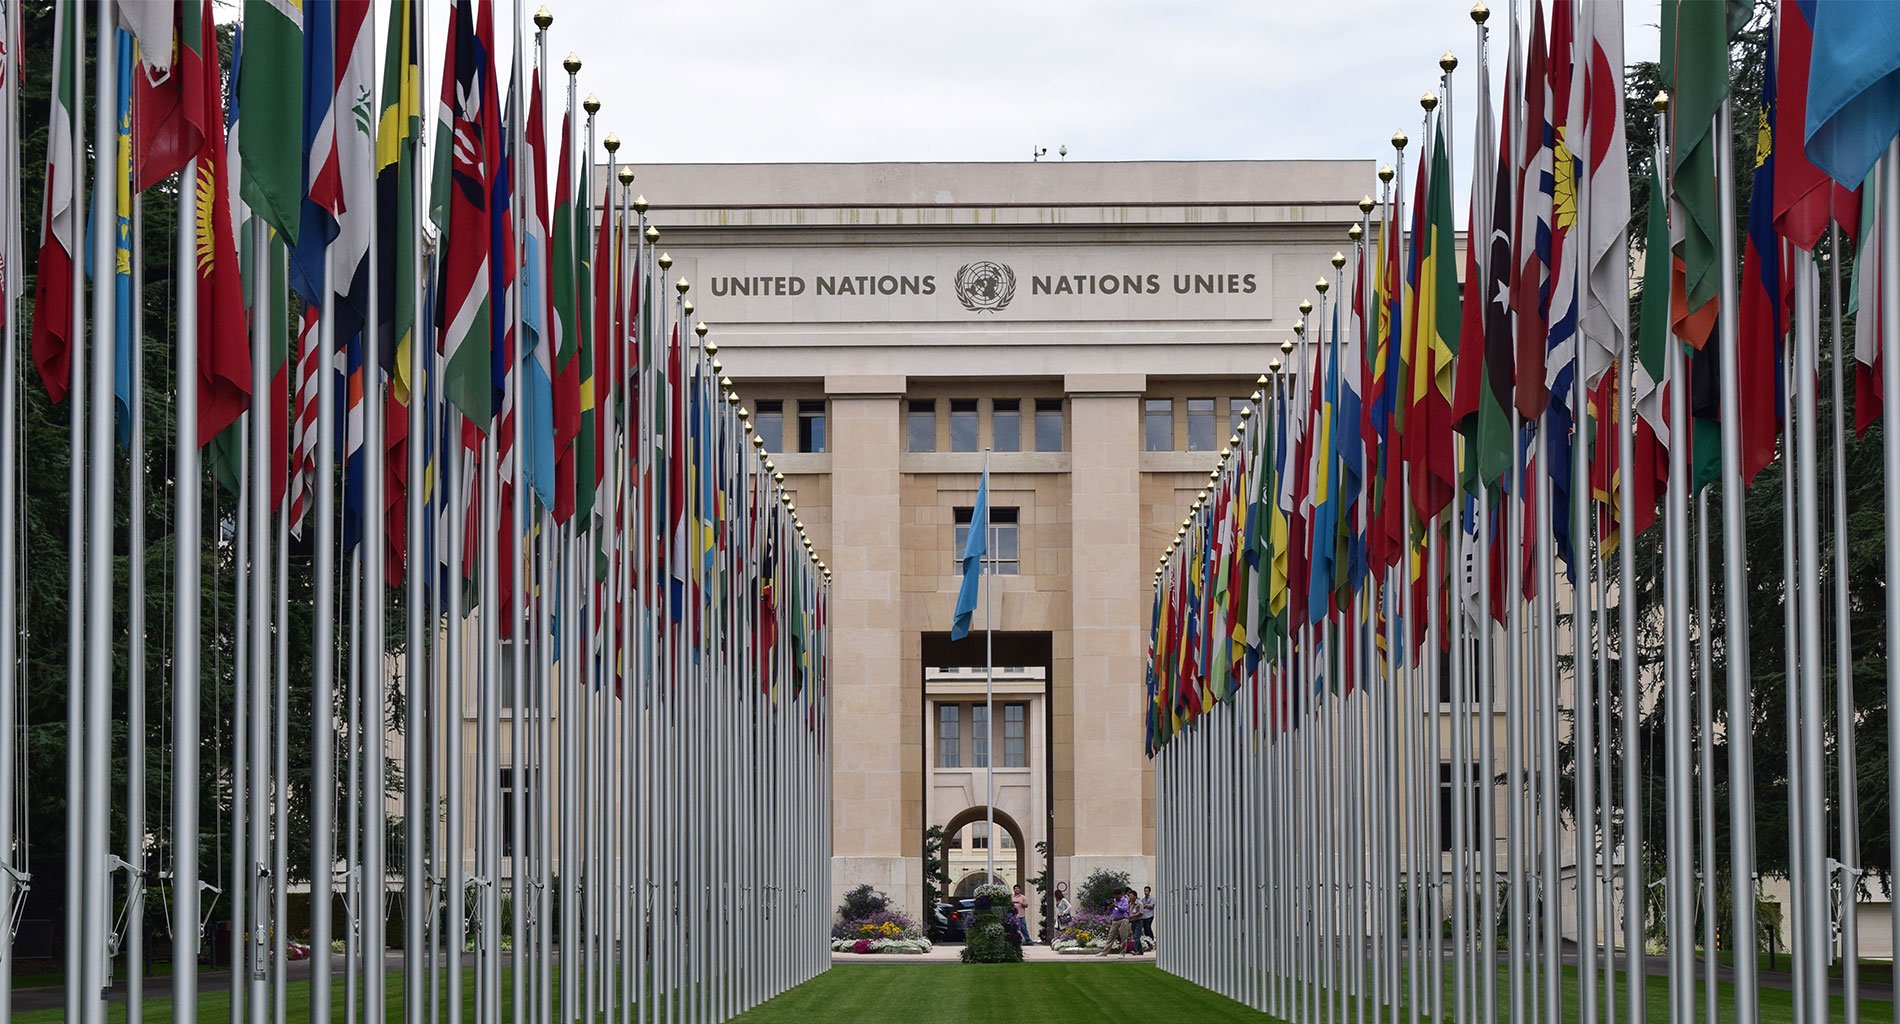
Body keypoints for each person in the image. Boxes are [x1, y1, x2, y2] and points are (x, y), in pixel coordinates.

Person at [1100, 888, 1133, 956]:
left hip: (1123, 919)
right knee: (1110, 936)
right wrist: (1110, 907)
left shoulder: (1125, 900)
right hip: (1115, 920)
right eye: (1115, 896)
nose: (1116, 897)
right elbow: (1110, 911)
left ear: (1120, 895)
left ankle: (1122, 953)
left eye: (1117, 896)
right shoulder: (1114, 901)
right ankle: (1104, 952)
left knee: (1123, 936)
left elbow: (1124, 909)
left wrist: (1116, 906)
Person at [1138, 885, 1156, 952]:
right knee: (1145, 929)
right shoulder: (1143, 899)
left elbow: (1151, 906)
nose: (1146, 892)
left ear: (1149, 891)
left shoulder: (1152, 898)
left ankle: (1151, 940)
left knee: (1148, 927)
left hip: (1149, 915)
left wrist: (1145, 905)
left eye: (1147, 891)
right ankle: (1147, 941)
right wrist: (1145, 906)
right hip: (1144, 916)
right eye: (1145, 891)